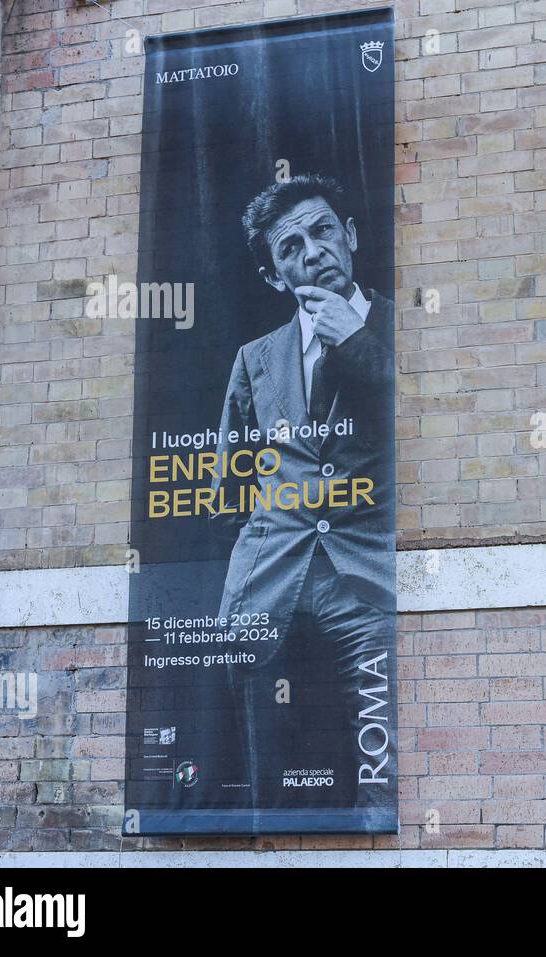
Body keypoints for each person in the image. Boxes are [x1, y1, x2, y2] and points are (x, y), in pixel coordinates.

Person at [208, 172, 395, 825]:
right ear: (273, 276)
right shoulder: (255, 357)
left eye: (321, 232)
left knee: (383, 779)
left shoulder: (407, 330)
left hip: (369, 582)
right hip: (267, 588)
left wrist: (353, 336)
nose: (310, 251)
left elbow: (429, 424)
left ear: (350, 236)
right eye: (290, 247)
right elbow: (226, 485)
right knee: (272, 787)